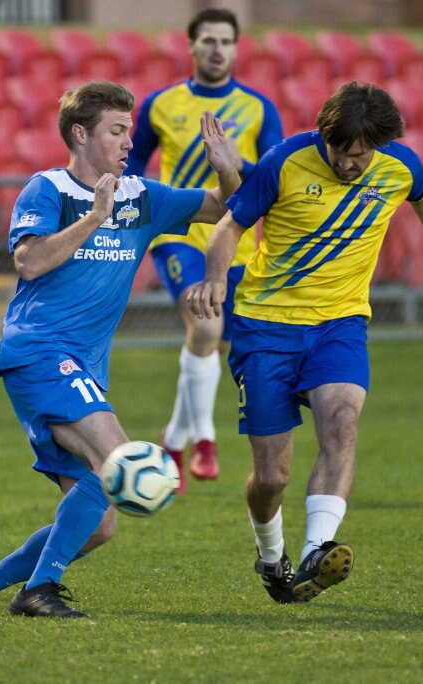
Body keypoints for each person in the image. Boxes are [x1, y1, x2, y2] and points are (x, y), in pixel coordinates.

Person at [0, 81, 242, 619]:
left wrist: (226, 166)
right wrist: (94, 216)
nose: (127, 141)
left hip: (81, 366)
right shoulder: (46, 190)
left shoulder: (144, 197)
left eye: (129, 131)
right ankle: (37, 592)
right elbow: (30, 262)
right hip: (40, 350)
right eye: (116, 131)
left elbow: (228, 207)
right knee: (113, 463)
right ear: (80, 133)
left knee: (98, 524)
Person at [187, 82, 423, 604]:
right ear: (325, 137)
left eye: (360, 156)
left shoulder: (398, 167)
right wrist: (217, 278)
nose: (349, 164)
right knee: (272, 476)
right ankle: (272, 559)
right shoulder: (285, 161)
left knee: (342, 420)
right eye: (340, 153)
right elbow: (228, 225)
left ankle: (318, 550)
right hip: (266, 325)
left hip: (340, 324)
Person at [125, 8, 283, 492]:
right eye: (209, 41)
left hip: (233, 242)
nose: (218, 49)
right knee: (207, 326)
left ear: (236, 48)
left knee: (211, 342)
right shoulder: (161, 103)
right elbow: (131, 160)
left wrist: (238, 160)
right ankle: (205, 442)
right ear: (191, 47)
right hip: (179, 235)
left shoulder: (259, 108)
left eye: (226, 41)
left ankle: (172, 439)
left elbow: (276, 174)